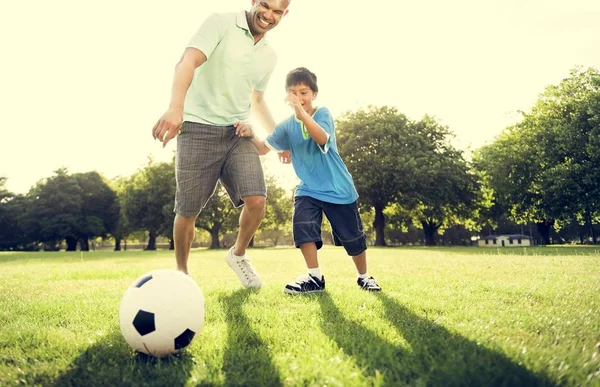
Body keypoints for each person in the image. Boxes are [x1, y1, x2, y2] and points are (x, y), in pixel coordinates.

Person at [151, 0, 291, 288]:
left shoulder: (269, 55)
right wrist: (176, 108)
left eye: (277, 11)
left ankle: (238, 254)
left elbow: (258, 100)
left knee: (257, 200)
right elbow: (186, 61)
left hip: (237, 134)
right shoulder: (220, 23)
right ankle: (182, 274)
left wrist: (279, 138)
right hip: (198, 128)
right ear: (253, 1)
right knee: (187, 212)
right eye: (265, 5)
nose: (268, 15)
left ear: (285, 14)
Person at [240, 67, 382, 293]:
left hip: (338, 189)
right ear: (287, 96)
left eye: (304, 92)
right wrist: (250, 133)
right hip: (308, 189)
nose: (299, 97)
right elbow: (262, 149)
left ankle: (364, 276)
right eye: (293, 93)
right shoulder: (286, 126)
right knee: (303, 226)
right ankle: (314, 277)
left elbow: (321, 138)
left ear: (314, 94)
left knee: (352, 238)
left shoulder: (322, 113)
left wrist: (302, 115)